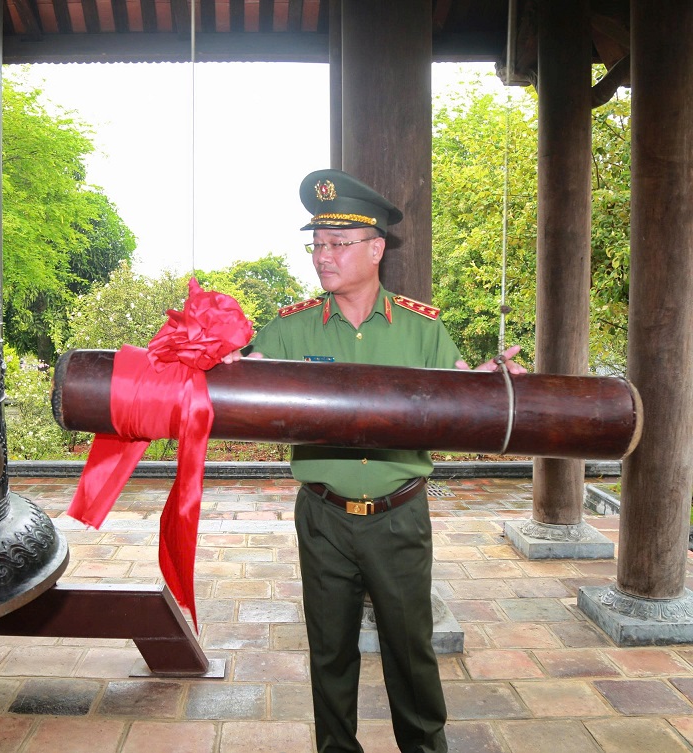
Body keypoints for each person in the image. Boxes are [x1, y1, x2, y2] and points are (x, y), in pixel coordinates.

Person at [225, 169, 525, 753]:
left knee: (410, 651)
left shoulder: (422, 328)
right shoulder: (289, 329)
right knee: (329, 651)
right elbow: (240, 382)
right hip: (323, 517)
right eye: (316, 243)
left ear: (375, 249)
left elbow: (462, 397)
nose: (322, 256)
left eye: (337, 244)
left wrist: (488, 388)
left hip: (400, 516)